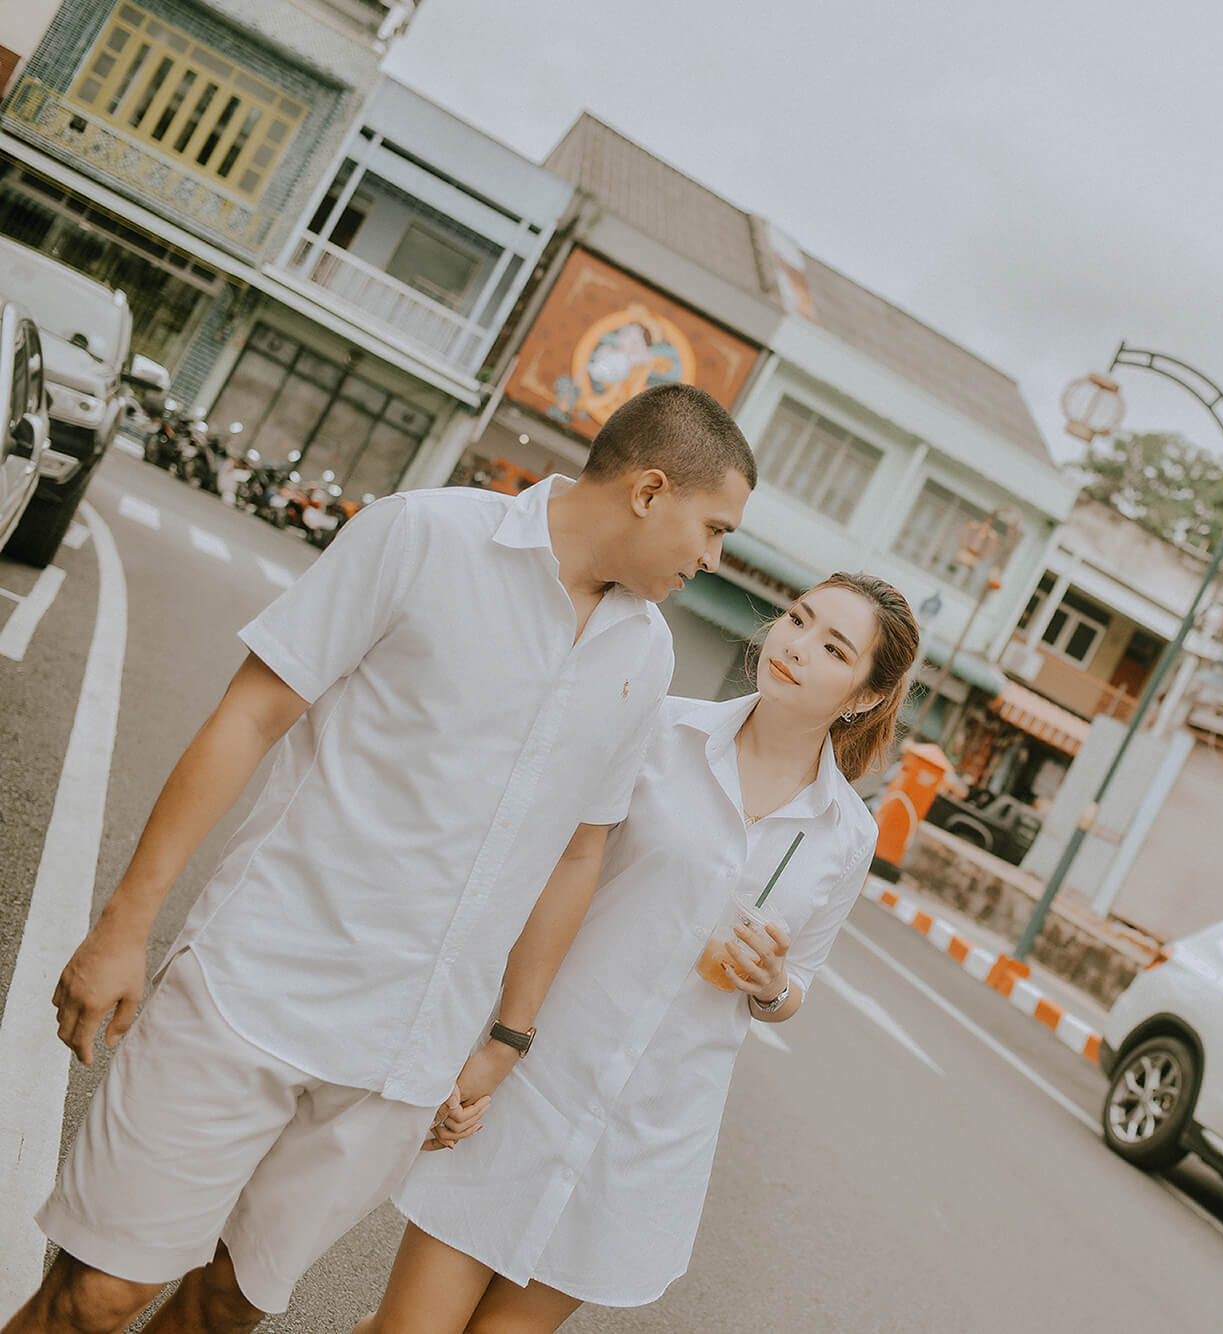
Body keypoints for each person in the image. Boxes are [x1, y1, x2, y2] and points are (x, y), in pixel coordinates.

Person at [3, 383, 756, 1334]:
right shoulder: (424, 536)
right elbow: (250, 716)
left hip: (404, 1057)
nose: (714, 559)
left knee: (226, 1308)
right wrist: (123, 924)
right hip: (255, 993)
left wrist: (506, 1040)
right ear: (651, 491)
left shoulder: (643, 655)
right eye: (715, 528)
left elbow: (579, 849)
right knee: (98, 1294)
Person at [362, 571, 920, 1332]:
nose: (795, 645)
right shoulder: (661, 733)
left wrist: (771, 984)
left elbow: (797, 991)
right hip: (530, 1082)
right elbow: (543, 877)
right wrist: (490, 1036)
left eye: (833, 647)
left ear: (862, 696)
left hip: (643, 1140)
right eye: (798, 618)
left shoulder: (845, 837)